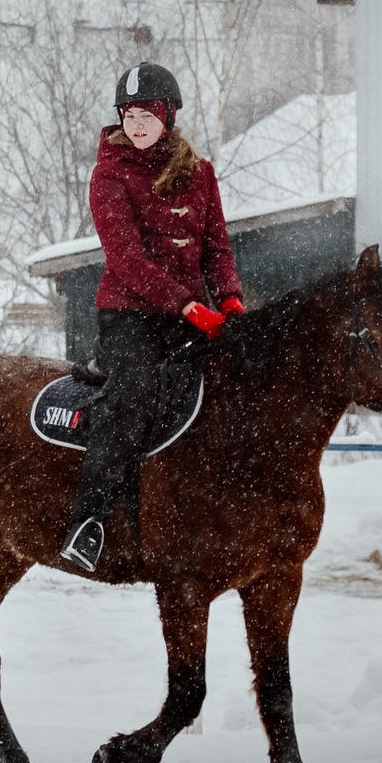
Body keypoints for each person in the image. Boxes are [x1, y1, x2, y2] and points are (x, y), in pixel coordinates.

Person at [61, 63, 244, 570]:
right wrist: (187, 304)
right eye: (129, 114)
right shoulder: (108, 173)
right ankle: (89, 521)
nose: (137, 124)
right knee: (134, 395)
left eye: (147, 114)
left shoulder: (201, 173)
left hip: (196, 314)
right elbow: (126, 258)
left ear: (169, 115)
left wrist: (229, 298)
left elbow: (217, 247)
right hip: (130, 315)